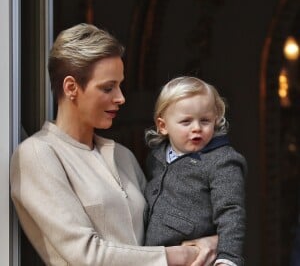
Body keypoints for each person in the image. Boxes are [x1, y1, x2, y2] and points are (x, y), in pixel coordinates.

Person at [10, 23, 218, 266]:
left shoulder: (122, 156)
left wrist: (211, 242)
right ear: (71, 87)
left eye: (119, 85)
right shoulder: (38, 155)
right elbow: (86, 255)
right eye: (108, 88)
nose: (120, 98)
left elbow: (161, 232)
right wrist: (179, 256)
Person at [144, 76, 247, 266]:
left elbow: (231, 212)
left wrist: (228, 259)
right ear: (163, 126)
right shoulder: (155, 157)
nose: (197, 128)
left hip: (195, 258)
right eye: (186, 122)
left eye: (205, 120)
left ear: (216, 120)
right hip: (153, 256)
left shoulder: (223, 161)